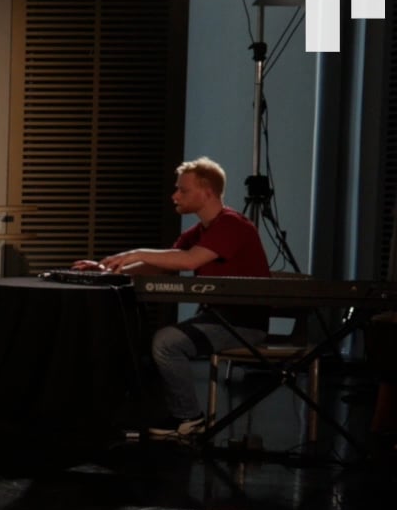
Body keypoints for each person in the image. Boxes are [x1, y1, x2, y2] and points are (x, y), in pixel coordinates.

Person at [72, 156, 271, 438]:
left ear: (207, 192)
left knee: (167, 342)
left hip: (242, 326)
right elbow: (162, 264)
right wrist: (106, 268)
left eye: (183, 190)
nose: (174, 195)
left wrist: (137, 252)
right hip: (217, 320)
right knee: (153, 339)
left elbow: (189, 261)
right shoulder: (202, 230)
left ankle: (189, 418)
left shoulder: (232, 225)